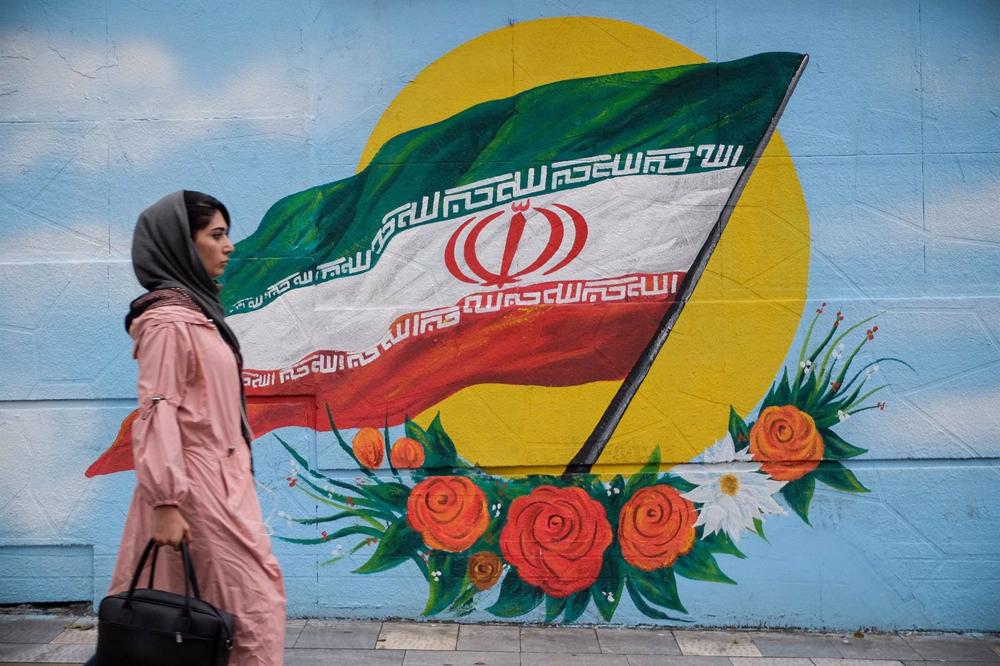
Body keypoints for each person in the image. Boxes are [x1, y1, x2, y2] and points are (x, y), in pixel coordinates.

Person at [104, 190, 286, 665]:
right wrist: (166, 501)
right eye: (216, 235)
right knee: (252, 605)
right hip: (195, 486)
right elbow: (157, 409)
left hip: (222, 481)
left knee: (216, 610)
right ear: (182, 244)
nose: (229, 246)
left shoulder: (196, 313)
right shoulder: (168, 323)